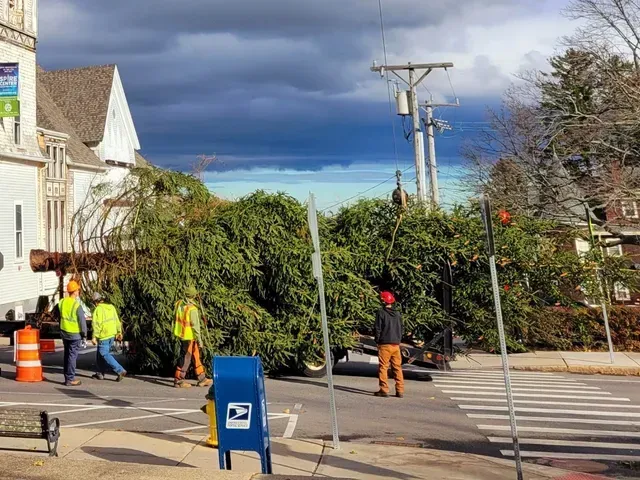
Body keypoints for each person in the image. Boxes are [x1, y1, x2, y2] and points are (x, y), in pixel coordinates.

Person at [173, 285, 212, 388]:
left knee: (196, 356)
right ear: (194, 296)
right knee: (186, 358)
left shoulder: (179, 304)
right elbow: (196, 327)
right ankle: (179, 380)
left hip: (182, 334)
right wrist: (200, 340)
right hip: (189, 336)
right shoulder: (192, 309)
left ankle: (202, 378)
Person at [374, 291, 404, 398]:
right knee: (397, 367)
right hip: (396, 345)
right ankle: (400, 390)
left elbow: (378, 328)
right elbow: (402, 328)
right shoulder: (398, 314)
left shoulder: (381, 313)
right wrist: (398, 340)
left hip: (385, 344)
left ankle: (384, 389)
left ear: (382, 301)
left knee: (383, 367)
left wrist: (377, 340)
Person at [91, 292, 127, 382]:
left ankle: (120, 370)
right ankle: (100, 373)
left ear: (95, 302)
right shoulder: (111, 307)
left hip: (103, 336)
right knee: (100, 354)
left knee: (104, 353)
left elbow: (96, 325)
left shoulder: (97, 310)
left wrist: (94, 337)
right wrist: (119, 332)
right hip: (112, 335)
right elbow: (117, 320)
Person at [58, 280, 88, 387]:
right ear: (74, 292)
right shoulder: (76, 306)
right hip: (74, 334)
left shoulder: (62, 302)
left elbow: (59, 315)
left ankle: (67, 377)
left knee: (67, 355)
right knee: (72, 356)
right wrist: (84, 335)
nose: (78, 292)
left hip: (64, 332)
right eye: (77, 290)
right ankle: (70, 379)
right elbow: (82, 322)